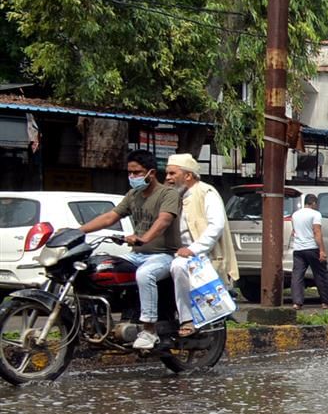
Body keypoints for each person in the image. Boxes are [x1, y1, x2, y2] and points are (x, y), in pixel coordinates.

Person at [76, 149, 182, 349]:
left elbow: (164, 220)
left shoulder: (168, 194)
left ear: (151, 173)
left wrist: (144, 238)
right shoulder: (133, 195)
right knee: (99, 267)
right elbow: (110, 217)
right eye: (130, 173)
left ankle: (149, 330)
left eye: (137, 172)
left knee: (145, 274)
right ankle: (103, 319)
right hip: (138, 255)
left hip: (165, 255)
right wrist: (77, 231)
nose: (132, 177)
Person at [162, 153, 234, 335]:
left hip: (202, 255)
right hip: (176, 252)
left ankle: (187, 319)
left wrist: (193, 250)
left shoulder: (206, 192)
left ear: (188, 175)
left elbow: (216, 225)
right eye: (167, 174)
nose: (168, 178)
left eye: (172, 174)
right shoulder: (173, 196)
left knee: (178, 267)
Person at [286, 194, 328, 309]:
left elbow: (294, 232)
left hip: (298, 249)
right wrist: (322, 250)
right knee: (320, 274)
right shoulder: (315, 214)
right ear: (314, 203)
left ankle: (297, 302)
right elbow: (317, 232)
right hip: (311, 248)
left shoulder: (295, 215)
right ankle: (327, 301)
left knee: (297, 276)